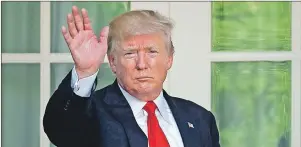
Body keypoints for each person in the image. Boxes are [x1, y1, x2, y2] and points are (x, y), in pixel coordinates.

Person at [43, 6, 220, 147]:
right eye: (130, 54)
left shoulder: (200, 119)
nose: (142, 64)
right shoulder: (93, 112)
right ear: (112, 62)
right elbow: (61, 131)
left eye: (152, 52)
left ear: (169, 59)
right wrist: (85, 72)